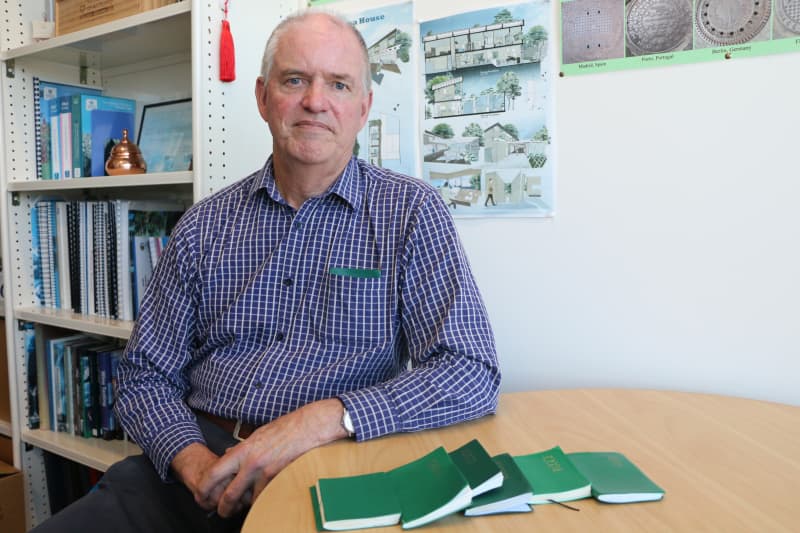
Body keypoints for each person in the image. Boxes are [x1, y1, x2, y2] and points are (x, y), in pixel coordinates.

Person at [31, 9, 499, 533]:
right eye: (295, 79)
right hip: (198, 464)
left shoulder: (410, 213)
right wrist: (192, 462)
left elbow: (470, 372)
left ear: (363, 107)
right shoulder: (204, 224)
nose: (315, 101)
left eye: (338, 84)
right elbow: (144, 374)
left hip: (336, 463)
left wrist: (320, 421)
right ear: (262, 97)